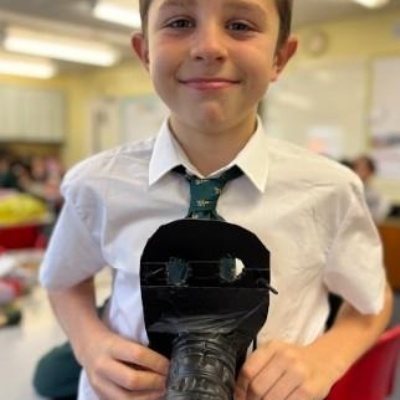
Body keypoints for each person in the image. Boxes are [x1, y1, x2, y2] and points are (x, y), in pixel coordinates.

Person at [38, 1, 393, 400]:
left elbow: (372, 299)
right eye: (180, 22)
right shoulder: (95, 185)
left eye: (240, 25)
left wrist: (327, 358)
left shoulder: (331, 190)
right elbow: (63, 280)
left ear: (279, 56)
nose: (208, 47)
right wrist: (89, 345)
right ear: (145, 52)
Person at [352, 154, 392, 223]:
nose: (357, 172)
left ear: (371, 172)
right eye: (354, 168)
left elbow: (374, 219)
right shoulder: (345, 191)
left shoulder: (378, 198)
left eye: (362, 169)